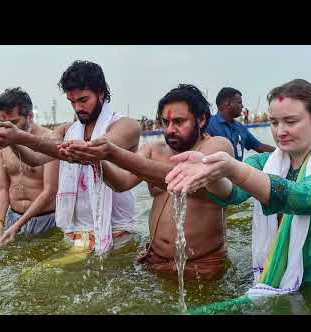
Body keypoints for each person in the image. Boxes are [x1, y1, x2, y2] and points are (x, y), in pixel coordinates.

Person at [166, 79, 311, 293]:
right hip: (277, 275)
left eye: (290, 122)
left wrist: (235, 169)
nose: (280, 131)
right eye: (273, 122)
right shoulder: (265, 162)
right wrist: (211, 171)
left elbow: (304, 197)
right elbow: (232, 193)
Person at [0, 60, 140, 259]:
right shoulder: (67, 130)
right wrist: (11, 140)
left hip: (116, 233)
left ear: (101, 93)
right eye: (72, 102)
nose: (78, 107)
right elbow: (35, 158)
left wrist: (20, 136)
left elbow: (95, 150)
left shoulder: (126, 126)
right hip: (75, 234)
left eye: (84, 100)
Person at [65, 84, 234, 280]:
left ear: (202, 119)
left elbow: (181, 177)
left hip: (202, 264)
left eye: (179, 122)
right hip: (153, 258)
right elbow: (122, 183)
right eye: (165, 122)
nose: (170, 129)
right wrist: (94, 159)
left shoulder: (217, 146)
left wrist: (113, 152)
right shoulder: (154, 150)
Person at [0, 88, 59, 245]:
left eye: (14, 123)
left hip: (46, 220)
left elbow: (50, 191)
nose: (6, 129)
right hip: (13, 218)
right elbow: (2, 187)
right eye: (2, 124)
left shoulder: (50, 140)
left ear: (30, 116)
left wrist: (18, 226)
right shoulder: (2, 142)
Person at [206, 87, 275, 161]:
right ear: (228, 103)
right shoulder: (208, 125)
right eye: (239, 102)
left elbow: (260, 147)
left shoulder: (240, 128)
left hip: (237, 171)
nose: (242, 106)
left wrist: (283, 152)